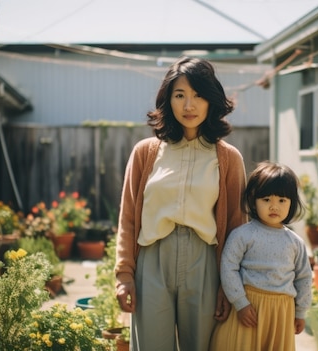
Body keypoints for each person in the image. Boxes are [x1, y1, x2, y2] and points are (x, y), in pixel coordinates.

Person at [114, 56, 247, 351]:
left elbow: (238, 226)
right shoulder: (145, 153)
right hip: (152, 261)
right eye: (180, 95)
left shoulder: (228, 158)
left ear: (212, 100)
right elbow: (128, 220)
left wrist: (230, 286)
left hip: (204, 265)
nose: (189, 106)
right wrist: (124, 275)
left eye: (198, 95)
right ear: (168, 100)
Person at [209, 161, 313, 351]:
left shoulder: (295, 242)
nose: (274, 206)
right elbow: (228, 267)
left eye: (282, 200)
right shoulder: (243, 235)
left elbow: (304, 278)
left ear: (292, 202)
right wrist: (240, 303)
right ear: (253, 200)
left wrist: (300, 312)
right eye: (266, 200)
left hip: (281, 312)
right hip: (249, 308)